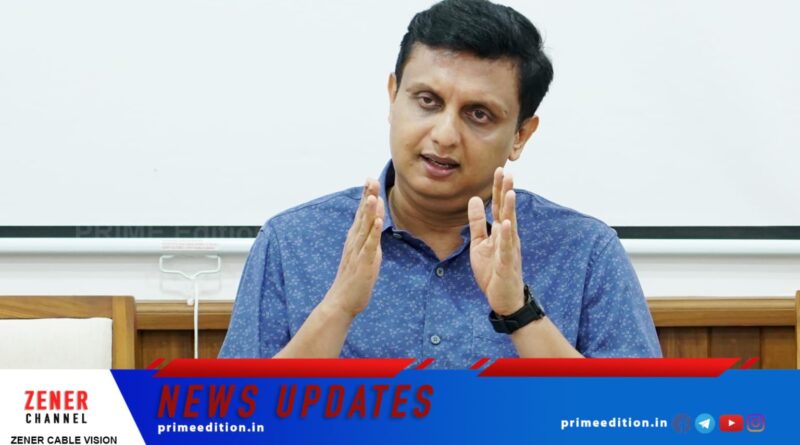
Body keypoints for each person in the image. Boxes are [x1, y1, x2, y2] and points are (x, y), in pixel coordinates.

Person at [219, 0, 661, 367]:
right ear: (393, 97)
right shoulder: (293, 243)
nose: (445, 135)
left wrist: (520, 312)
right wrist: (338, 307)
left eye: (478, 114)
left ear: (521, 135)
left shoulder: (584, 252)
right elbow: (231, 422)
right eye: (428, 101)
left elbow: (640, 422)